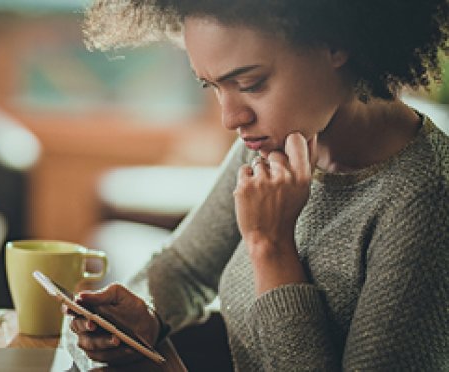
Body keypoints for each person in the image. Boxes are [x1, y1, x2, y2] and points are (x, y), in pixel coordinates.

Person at [68, 0, 449, 370]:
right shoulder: (273, 140)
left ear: (336, 43)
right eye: (212, 86)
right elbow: (185, 269)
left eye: (250, 84)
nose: (231, 118)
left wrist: (272, 248)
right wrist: (141, 315)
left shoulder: (427, 201)